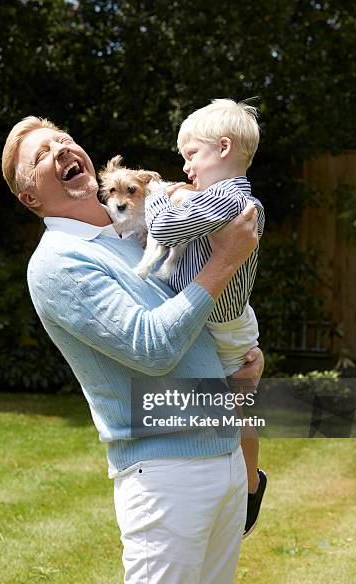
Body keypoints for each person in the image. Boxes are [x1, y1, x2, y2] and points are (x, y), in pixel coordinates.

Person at [1, 116, 264, 584]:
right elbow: (153, 348)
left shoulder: (137, 233)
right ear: (30, 198)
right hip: (166, 476)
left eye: (62, 141)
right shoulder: (59, 262)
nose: (59, 151)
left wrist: (240, 378)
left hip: (223, 457)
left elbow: (195, 330)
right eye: (39, 156)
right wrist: (225, 259)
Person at [145, 98, 267, 537]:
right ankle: (242, 484)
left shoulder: (230, 202)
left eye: (192, 155)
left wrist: (165, 194)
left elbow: (163, 230)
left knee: (239, 403)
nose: (186, 166)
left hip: (224, 325)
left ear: (223, 147)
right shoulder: (217, 198)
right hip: (219, 319)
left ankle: (250, 485)